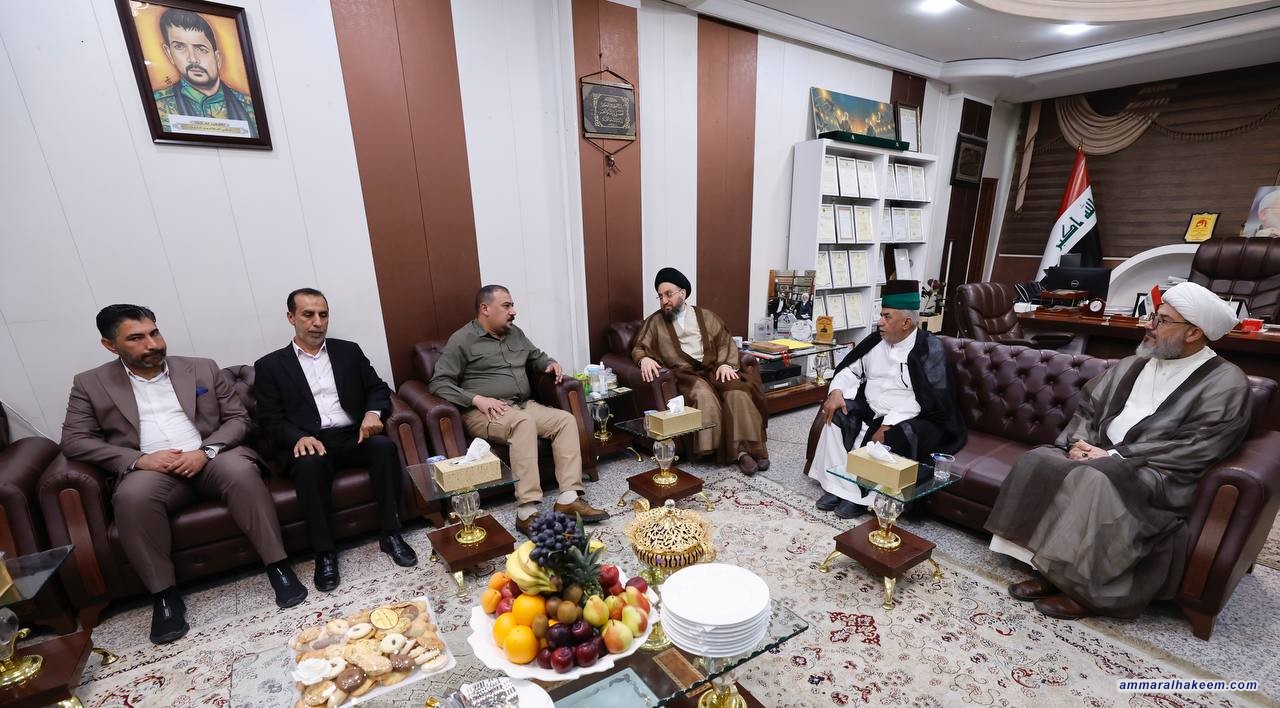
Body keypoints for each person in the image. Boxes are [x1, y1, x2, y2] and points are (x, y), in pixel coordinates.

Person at [987, 281, 1249, 620]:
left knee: (1095, 479)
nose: (1149, 326)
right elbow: (1088, 408)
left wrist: (1115, 457)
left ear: (1194, 332)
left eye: (1162, 321)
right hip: (1101, 453)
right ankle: (1048, 570)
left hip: (1159, 472)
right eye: (1153, 316)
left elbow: (1199, 444)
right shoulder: (1135, 363)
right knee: (1037, 460)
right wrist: (1078, 444)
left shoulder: (1226, 382)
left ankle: (1082, 590)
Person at [61, 305, 305, 645]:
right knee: (131, 498)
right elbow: (74, 440)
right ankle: (164, 597)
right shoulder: (91, 383)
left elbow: (238, 418)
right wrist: (139, 460)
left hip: (211, 457)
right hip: (152, 470)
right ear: (110, 345)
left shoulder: (201, 368)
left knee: (241, 472)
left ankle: (278, 566)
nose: (152, 344)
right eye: (136, 338)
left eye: (154, 333)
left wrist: (205, 452)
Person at [253, 289, 416, 592]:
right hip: (310, 441)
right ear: (291, 318)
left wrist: (372, 413)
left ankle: (391, 533)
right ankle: (325, 552)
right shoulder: (270, 366)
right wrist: (297, 437)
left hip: (352, 434)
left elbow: (377, 388)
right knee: (309, 465)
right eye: (308, 314)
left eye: (323, 315)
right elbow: (269, 419)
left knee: (383, 447)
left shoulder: (348, 352)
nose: (317, 322)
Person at [429, 285, 609, 536]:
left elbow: (536, 357)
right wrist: (476, 399)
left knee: (565, 421)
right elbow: (439, 383)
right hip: (485, 412)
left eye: (512, 305)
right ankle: (526, 510)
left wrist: (550, 363)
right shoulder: (463, 340)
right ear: (485, 309)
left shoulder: (515, 334)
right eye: (507, 306)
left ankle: (568, 498)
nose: (513, 311)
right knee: (523, 423)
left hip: (521, 405)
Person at [806, 280, 966, 518]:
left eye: (886, 316)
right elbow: (851, 370)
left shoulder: (929, 348)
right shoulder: (874, 342)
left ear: (906, 323)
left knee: (894, 437)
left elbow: (927, 398)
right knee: (836, 416)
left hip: (913, 415)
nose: (879, 321)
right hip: (872, 408)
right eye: (881, 315)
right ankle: (837, 487)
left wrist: (889, 422)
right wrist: (837, 390)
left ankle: (864, 498)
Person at [632, 268, 770, 474]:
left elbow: (724, 341)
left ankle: (752, 448)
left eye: (668, 294)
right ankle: (739, 454)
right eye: (660, 296)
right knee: (704, 395)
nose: (664, 301)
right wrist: (643, 359)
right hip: (686, 376)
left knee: (737, 390)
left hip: (714, 369)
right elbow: (639, 346)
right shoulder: (655, 322)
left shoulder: (705, 316)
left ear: (683, 293)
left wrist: (725, 364)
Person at [152, 8, 259, 137]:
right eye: (179, 47)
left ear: (218, 59)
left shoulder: (251, 108)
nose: (192, 59)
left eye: (201, 49)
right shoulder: (157, 106)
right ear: (169, 53)